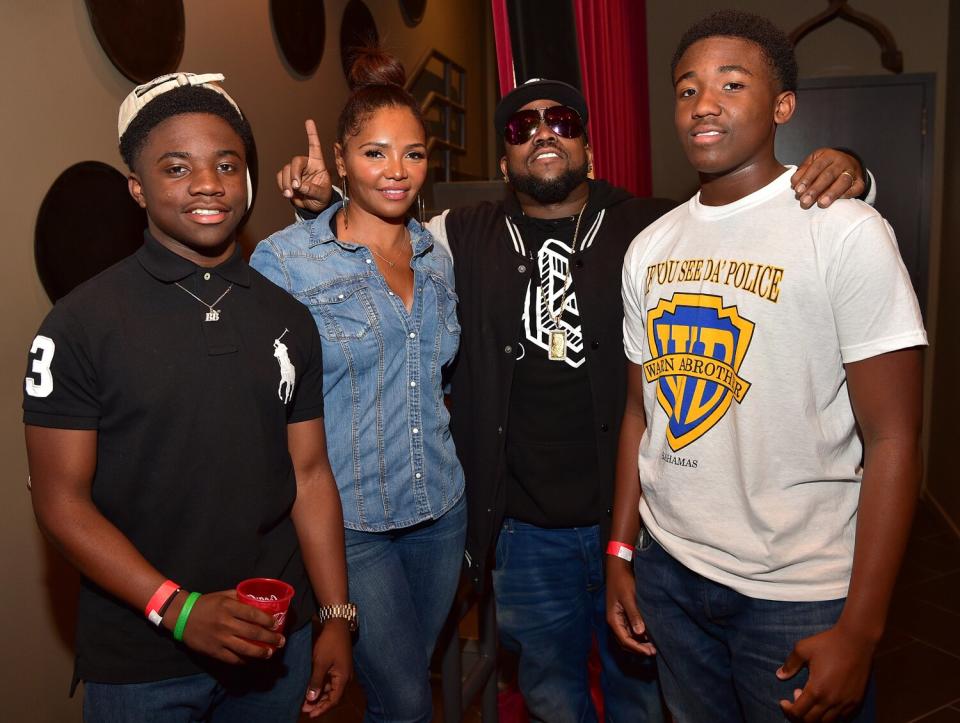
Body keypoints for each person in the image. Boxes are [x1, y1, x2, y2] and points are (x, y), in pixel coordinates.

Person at [278, 74, 869, 721]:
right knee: (552, 694)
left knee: (643, 695)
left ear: (589, 144)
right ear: (504, 158)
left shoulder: (657, 227)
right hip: (524, 534)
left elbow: (754, 218)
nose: (541, 134)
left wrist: (852, 172)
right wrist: (323, 201)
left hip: (646, 529)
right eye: (519, 127)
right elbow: (376, 230)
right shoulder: (459, 236)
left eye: (560, 121)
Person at [608, 10, 926, 722]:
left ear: (781, 105)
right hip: (671, 571)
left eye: (731, 83)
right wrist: (622, 550)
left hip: (798, 590)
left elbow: (896, 439)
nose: (705, 104)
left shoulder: (845, 231)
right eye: (688, 90)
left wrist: (863, 628)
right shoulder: (650, 246)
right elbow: (640, 412)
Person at [23, 73, 353, 722]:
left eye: (226, 164)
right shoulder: (79, 325)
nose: (208, 183)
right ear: (137, 188)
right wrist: (179, 607)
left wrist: (336, 613)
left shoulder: (288, 318)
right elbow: (60, 499)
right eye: (177, 167)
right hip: (141, 660)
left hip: (274, 642)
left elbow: (310, 476)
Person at [250, 48, 466, 723]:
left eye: (413, 154)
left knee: (403, 683)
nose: (397, 171)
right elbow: (256, 397)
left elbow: (439, 380)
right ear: (341, 162)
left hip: (440, 508)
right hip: (350, 523)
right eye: (374, 154)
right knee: (406, 700)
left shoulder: (437, 256)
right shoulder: (287, 261)